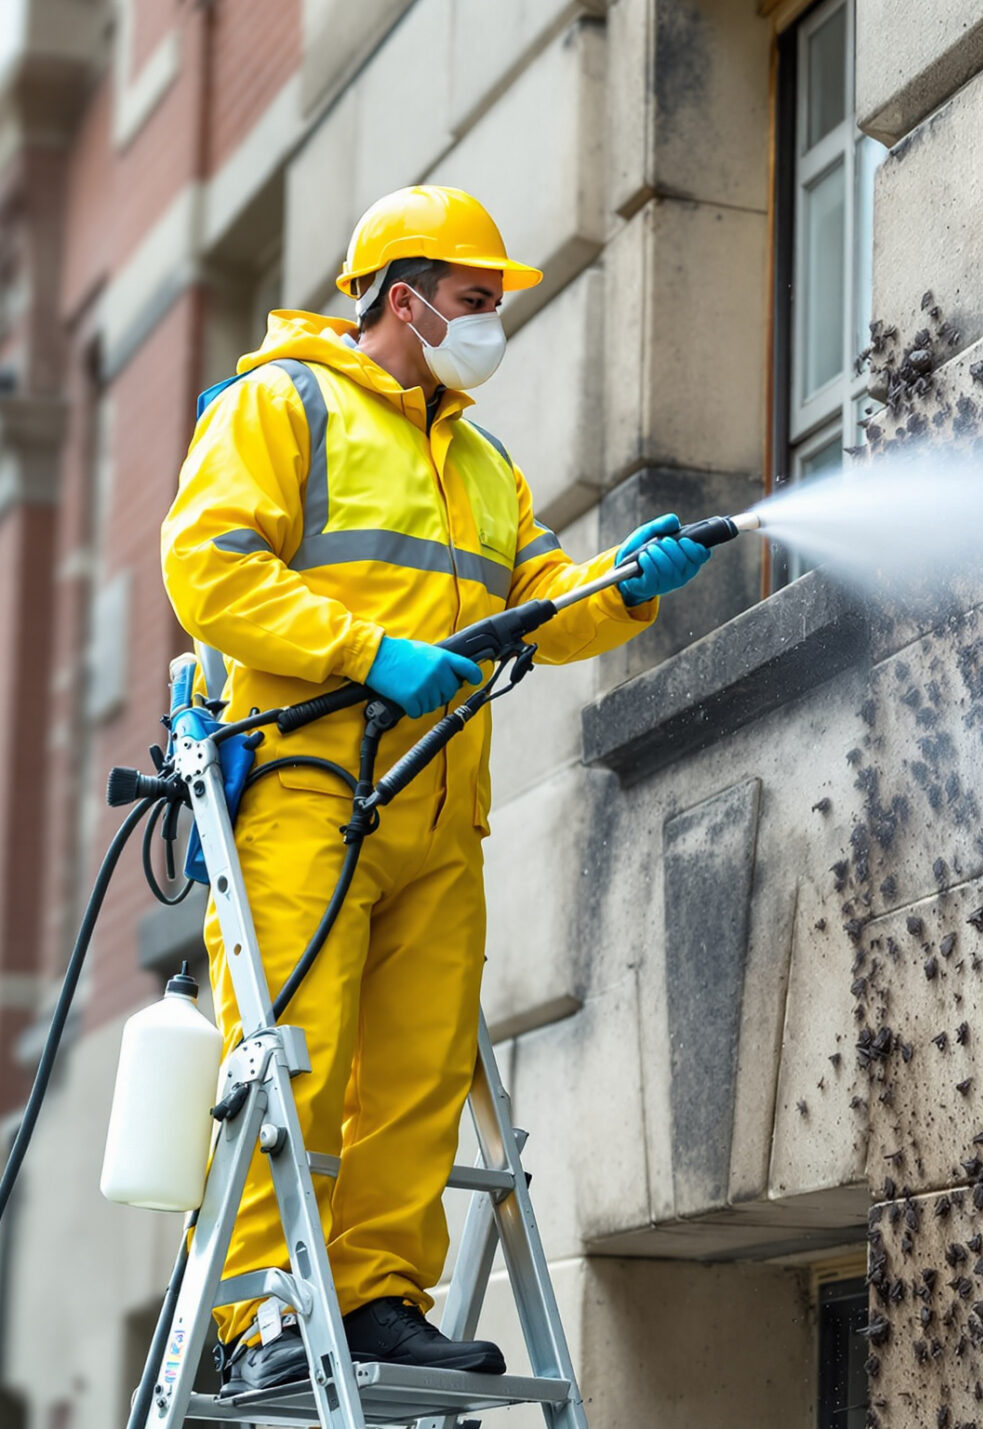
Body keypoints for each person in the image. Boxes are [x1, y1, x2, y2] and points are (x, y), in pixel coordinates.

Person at [160, 185, 710, 1392]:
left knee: (416, 1077)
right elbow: (207, 569)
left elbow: (542, 604)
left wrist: (625, 584)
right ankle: (261, 1315)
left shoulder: (480, 461)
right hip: (305, 794)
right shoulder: (282, 404)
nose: (489, 321)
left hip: (439, 811)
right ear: (402, 301)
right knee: (290, 1057)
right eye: (473, 298)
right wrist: (372, 654)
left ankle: (373, 1296)